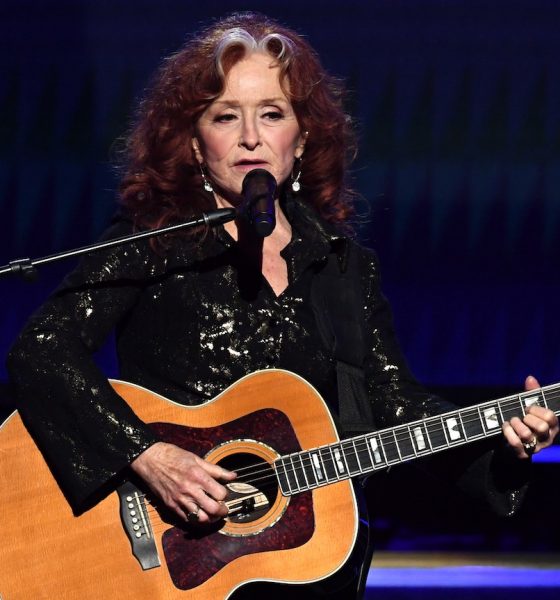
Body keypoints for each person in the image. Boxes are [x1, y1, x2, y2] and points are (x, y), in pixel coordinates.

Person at [7, 12, 558, 600]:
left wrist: (501, 436)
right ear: (196, 146)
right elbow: (42, 352)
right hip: (163, 569)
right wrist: (148, 456)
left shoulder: (343, 264)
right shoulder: (156, 241)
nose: (250, 136)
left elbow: (391, 402)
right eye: (225, 117)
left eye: (271, 114)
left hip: (304, 566)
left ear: (302, 139)